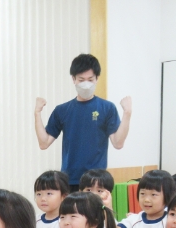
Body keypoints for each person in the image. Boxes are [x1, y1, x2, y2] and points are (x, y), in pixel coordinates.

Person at [34, 54, 132, 189]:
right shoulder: (62, 110)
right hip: (70, 179)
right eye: (81, 79)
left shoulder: (107, 107)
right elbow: (44, 143)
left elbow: (118, 143)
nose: (86, 84)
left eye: (90, 79)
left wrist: (127, 114)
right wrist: (37, 113)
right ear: (73, 79)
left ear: (97, 78)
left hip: (97, 182)